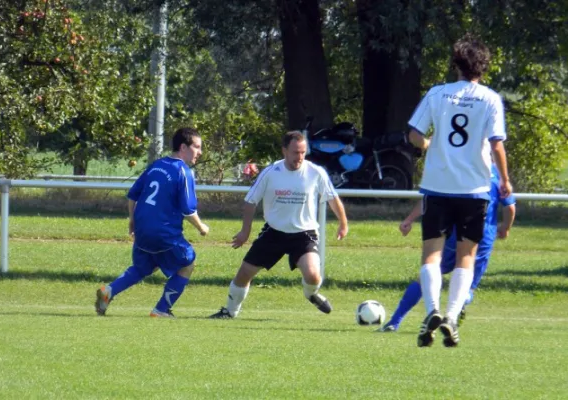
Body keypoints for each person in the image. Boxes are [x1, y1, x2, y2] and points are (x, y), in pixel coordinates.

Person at [407, 34, 513, 347]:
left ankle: (432, 310)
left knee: (432, 254)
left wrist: (427, 144)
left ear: (456, 64)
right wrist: (505, 180)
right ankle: (452, 316)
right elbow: (496, 144)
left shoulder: (437, 94)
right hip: (474, 188)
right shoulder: (490, 98)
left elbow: (414, 133)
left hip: (437, 187)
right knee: (467, 256)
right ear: (483, 67)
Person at [209, 130, 348, 319]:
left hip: (304, 234)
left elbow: (333, 198)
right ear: (284, 151)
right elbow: (251, 201)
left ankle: (310, 294)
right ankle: (230, 312)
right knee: (244, 274)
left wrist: (343, 223)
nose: (299, 157)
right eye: (295, 152)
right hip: (274, 233)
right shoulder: (271, 172)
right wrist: (245, 231)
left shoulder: (316, 173)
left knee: (313, 275)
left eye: (303, 152)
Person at [379, 165, 516, 332]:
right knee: (468, 284)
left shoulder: (456, 166)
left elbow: (430, 199)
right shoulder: (497, 174)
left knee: (427, 274)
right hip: (484, 238)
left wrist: (409, 219)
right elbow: (510, 207)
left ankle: (395, 322)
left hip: (456, 234)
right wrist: (506, 228)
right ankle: (458, 308)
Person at [95, 127, 209, 318]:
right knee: (187, 263)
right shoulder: (183, 171)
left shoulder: (156, 165)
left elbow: (133, 195)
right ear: (183, 147)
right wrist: (201, 227)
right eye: (197, 147)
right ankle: (161, 310)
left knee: (143, 267)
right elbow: (188, 210)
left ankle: (108, 291)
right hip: (164, 233)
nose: (200, 152)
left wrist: (132, 220)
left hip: (142, 228)